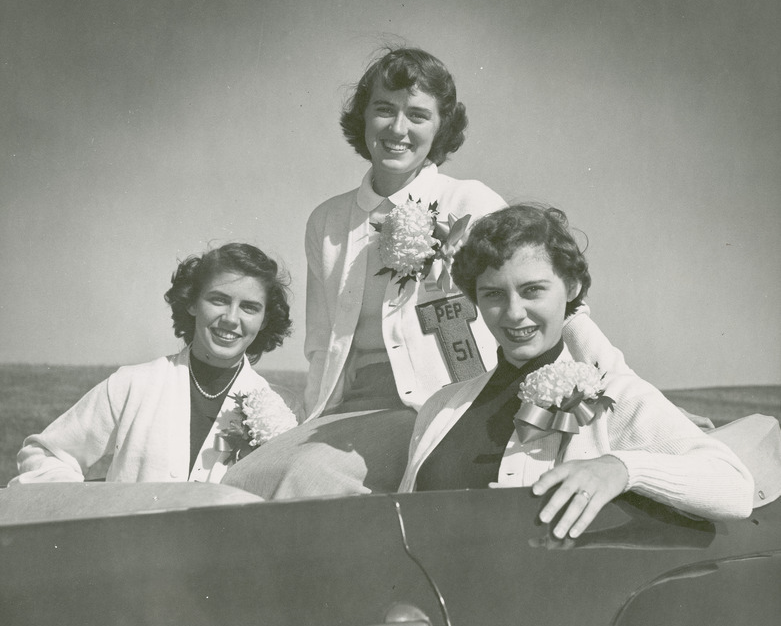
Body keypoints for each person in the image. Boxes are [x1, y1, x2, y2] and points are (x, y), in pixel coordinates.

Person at [224, 48, 630, 499]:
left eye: (417, 115)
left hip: (436, 409)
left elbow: (558, 308)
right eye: (384, 110)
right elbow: (321, 345)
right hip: (340, 413)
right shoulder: (327, 222)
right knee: (243, 480)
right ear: (363, 118)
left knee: (305, 476)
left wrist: (620, 392)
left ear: (440, 128)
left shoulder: (471, 203)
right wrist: (309, 422)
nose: (398, 129)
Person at [399, 204, 754, 536]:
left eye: (532, 290)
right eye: (493, 294)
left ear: (571, 288)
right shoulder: (440, 409)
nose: (513, 312)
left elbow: (734, 487)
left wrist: (621, 469)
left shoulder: (614, 396)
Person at [11, 243, 299, 485]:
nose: (231, 319)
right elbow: (45, 455)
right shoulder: (133, 384)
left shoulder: (282, 411)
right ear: (191, 303)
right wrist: (87, 513)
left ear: (264, 320)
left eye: (249, 307)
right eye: (218, 300)